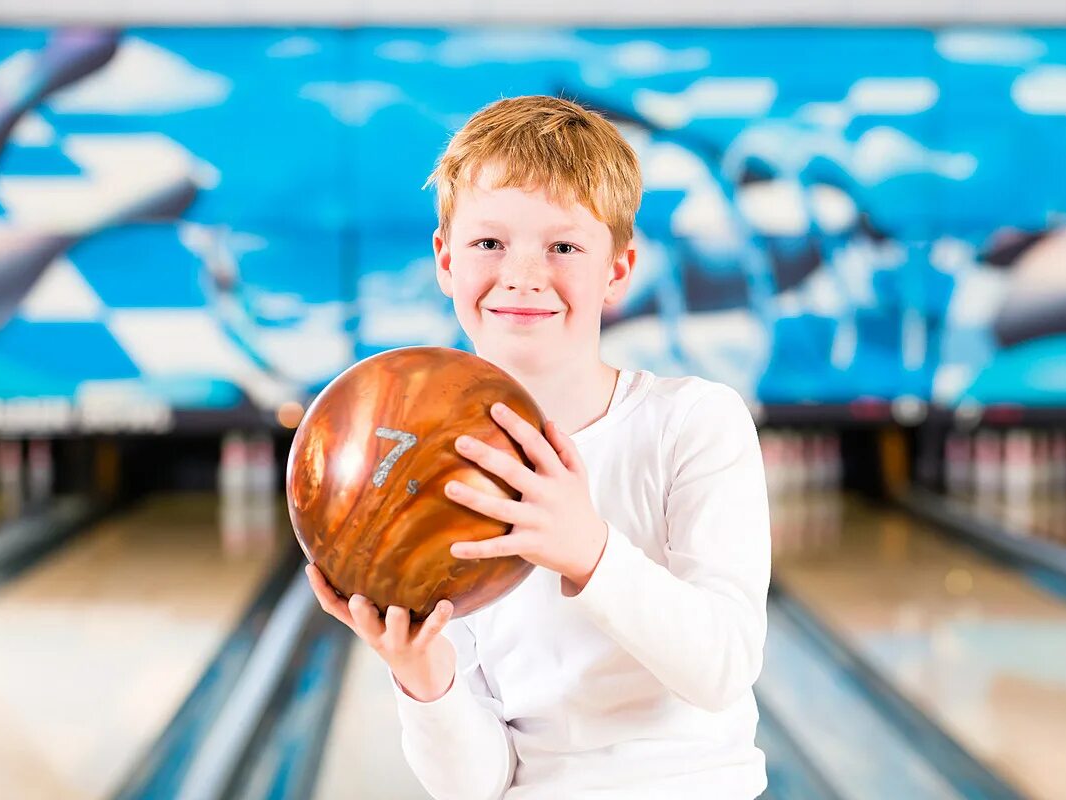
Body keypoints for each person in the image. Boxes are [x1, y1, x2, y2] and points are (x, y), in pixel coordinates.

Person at [306, 94, 771, 799]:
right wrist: (424, 676)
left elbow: (723, 668)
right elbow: (477, 784)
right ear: (445, 260)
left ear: (617, 269)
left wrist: (588, 548)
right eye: (490, 243)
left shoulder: (696, 423)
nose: (523, 274)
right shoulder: (428, 483)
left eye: (563, 246)